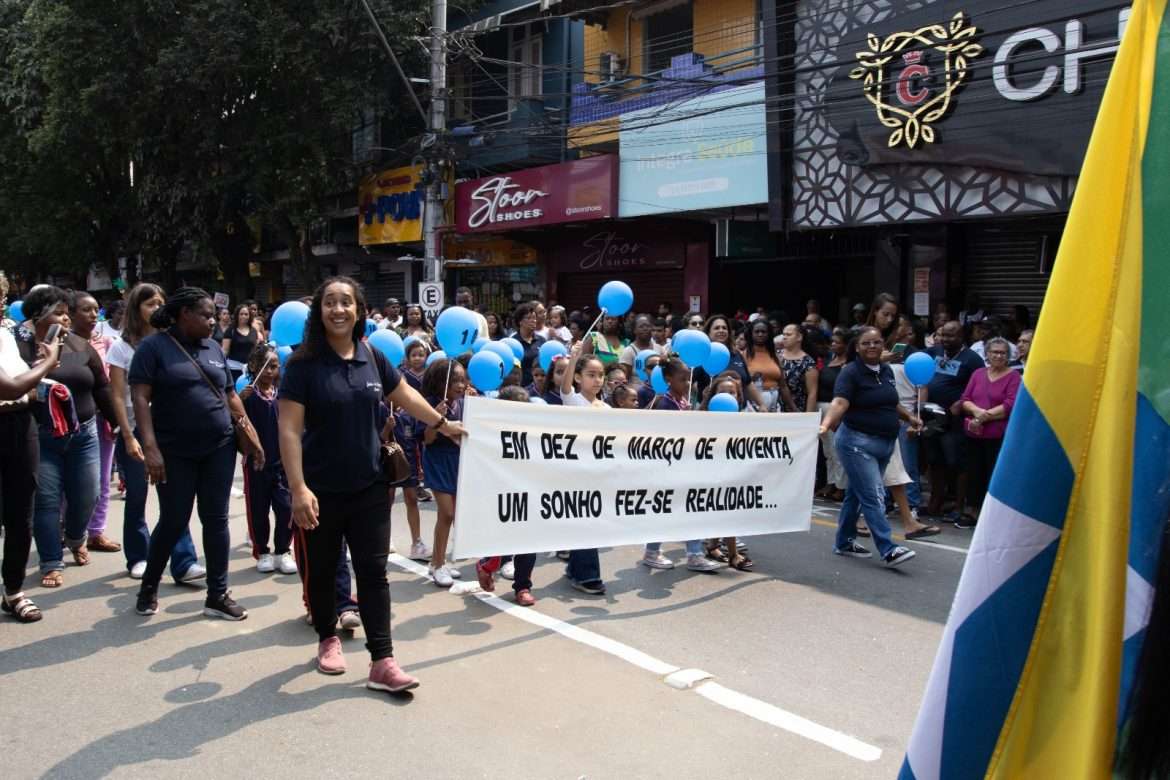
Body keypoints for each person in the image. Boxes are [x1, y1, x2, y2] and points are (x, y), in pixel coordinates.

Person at [279, 277, 463, 690]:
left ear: (359, 310)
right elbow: (288, 430)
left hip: (370, 487)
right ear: (319, 311)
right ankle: (327, 638)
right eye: (329, 302)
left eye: (346, 302)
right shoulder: (302, 364)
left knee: (373, 572)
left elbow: (405, 397)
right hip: (320, 489)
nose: (338, 309)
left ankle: (383, 660)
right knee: (324, 571)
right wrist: (298, 488)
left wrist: (442, 423)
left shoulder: (372, 356)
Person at [130, 287, 264, 619]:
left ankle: (217, 595)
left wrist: (253, 435)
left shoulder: (214, 348)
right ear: (183, 314)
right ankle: (149, 587)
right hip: (174, 451)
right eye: (205, 315)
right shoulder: (153, 348)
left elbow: (229, 394)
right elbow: (140, 400)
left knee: (216, 519)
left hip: (219, 446)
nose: (212, 322)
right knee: (174, 520)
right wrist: (150, 448)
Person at [17, 286, 121, 589]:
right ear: (38, 317)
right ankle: (51, 561)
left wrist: (117, 424)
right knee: (47, 501)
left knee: (88, 493)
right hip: (41, 435)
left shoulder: (80, 345)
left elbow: (101, 387)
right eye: (58, 314)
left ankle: (76, 537)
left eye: (66, 313)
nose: (65, 320)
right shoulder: (20, 348)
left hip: (84, 433)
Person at [107, 284, 203, 582]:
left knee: (175, 499)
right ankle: (139, 555)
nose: (156, 308)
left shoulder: (172, 343)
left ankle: (183, 561)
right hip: (136, 431)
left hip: (167, 431)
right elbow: (118, 396)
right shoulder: (121, 348)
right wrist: (127, 435)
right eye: (150, 304)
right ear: (137, 310)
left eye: (161, 302)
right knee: (137, 496)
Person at [819, 326, 922, 567]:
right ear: (857, 347)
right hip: (857, 443)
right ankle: (888, 547)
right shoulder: (850, 373)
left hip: (885, 443)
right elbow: (840, 402)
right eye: (866, 343)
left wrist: (910, 418)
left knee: (856, 495)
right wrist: (826, 424)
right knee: (874, 495)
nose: (872, 347)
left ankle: (843, 542)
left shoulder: (885, 370)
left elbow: (890, 402)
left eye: (876, 342)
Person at [0, 284, 61, 621]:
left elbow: (20, 382)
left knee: (21, 515)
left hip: (20, 425)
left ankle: (13, 592)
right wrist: (48, 363)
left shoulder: (7, 335)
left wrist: (36, 368)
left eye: (1, 297)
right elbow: (8, 386)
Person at [640, 356, 723, 573]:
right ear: (668, 379)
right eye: (682, 379)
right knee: (664, 512)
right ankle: (652, 552)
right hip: (665, 469)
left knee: (690, 509)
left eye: (688, 379)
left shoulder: (683, 402)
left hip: (684, 467)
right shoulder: (663, 403)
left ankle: (694, 554)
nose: (688, 383)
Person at [474, 385, 540, 605]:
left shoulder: (535, 433)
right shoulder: (491, 433)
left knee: (529, 544)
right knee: (502, 545)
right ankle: (486, 565)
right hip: (501, 496)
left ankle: (522, 588)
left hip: (528, 494)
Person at [70, 291, 123, 554]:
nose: (93, 315)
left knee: (100, 480)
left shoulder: (107, 343)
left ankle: (95, 532)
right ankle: (66, 530)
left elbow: (112, 382)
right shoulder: (60, 345)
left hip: (102, 418)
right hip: (68, 420)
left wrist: (116, 418)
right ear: (70, 314)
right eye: (86, 310)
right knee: (67, 483)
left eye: (96, 310)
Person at [555, 342, 608, 594]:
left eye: (600, 375)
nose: (597, 380)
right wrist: (574, 357)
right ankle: (587, 576)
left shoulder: (607, 408)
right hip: (575, 472)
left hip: (597, 473)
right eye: (591, 374)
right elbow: (564, 388)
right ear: (578, 377)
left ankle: (575, 569)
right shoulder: (573, 400)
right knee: (586, 521)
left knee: (589, 522)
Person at [239, 344, 296, 574]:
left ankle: (283, 551)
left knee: (286, 507)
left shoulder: (282, 395)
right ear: (254, 366)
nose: (272, 371)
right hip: (257, 464)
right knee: (258, 510)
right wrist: (240, 404)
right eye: (268, 366)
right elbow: (238, 425)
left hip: (281, 462)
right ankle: (262, 551)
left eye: (276, 366)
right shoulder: (249, 396)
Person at [956, 337, 1021, 529]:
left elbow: (1010, 405)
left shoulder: (1013, 377)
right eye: (994, 352)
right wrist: (976, 413)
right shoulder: (978, 373)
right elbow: (965, 399)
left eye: (1002, 353)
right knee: (973, 472)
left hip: (997, 434)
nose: (998, 356)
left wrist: (983, 417)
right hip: (974, 434)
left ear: (1008, 356)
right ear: (987, 354)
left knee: (994, 473)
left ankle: (992, 516)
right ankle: (971, 511)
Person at [924, 321, 985, 518]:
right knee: (934, 459)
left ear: (961, 337)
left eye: (951, 336)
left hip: (955, 420)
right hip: (932, 415)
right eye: (943, 335)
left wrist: (961, 402)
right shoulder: (934, 352)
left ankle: (959, 505)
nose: (945, 340)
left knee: (956, 461)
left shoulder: (972, 359)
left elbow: (979, 386)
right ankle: (935, 501)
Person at [418, 357, 468, 588]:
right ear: (440, 381)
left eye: (462, 379)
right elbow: (427, 439)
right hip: (437, 460)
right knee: (446, 513)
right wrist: (436, 420)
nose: (460, 385)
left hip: (458, 460)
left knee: (453, 514)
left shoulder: (464, 402)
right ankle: (438, 565)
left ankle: (439, 561)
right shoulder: (428, 403)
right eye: (454, 380)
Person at [393, 340, 433, 562]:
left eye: (421, 354)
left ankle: (416, 542)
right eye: (413, 354)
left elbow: (421, 438)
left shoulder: (413, 414)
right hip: (387, 462)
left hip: (408, 460)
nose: (418, 358)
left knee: (410, 498)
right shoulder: (384, 411)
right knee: (385, 499)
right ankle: (383, 539)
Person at [816, 328, 850, 501]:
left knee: (838, 450)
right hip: (820, 407)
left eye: (838, 342)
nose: (833, 345)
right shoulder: (829, 361)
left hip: (835, 408)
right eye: (832, 342)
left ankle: (841, 486)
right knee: (827, 450)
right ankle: (831, 482)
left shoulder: (849, 365)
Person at [742, 319, 794, 413]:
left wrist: (793, 408)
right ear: (751, 334)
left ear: (769, 334)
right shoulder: (744, 356)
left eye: (763, 332)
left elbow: (783, 386)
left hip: (774, 404)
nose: (760, 334)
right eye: (757, 332)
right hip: (752, 405)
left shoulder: (775, 356)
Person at [778, 323, 819, 413]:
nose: (784, 337)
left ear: (799, 337)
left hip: (796, 410)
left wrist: (809, 417)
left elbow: (812, 393)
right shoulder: (776, 355)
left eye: (788, 335)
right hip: (774, 408)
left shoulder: (808, 362)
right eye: (783, 334)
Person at [221, 304, 258, 380]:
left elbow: (255, 350)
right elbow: (225, 351)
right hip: (233, 369)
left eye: (246, 314)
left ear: (249, 316)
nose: (243, 316)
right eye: (241, 314)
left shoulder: (254, 331)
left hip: (250, 370)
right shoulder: (230, 330)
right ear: (237, 315)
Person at [512, 302, 545, 386]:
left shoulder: (542, 340)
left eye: (534, 318)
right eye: (529, 318)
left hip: (538, 388)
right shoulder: (513, 342)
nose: (533, 321)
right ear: (520, 322)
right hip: (520, 387)